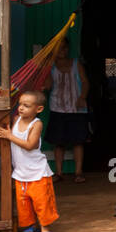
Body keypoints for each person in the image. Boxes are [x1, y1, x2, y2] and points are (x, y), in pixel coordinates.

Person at [0, 90, 59, 232]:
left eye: (27, 105)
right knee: (23, 202)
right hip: (21, 172)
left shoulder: (36, 124)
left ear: (38, 109)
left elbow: (30, 145)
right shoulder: (16, 119)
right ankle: (31, 226)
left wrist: (10, 136)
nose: (21, 108)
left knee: (42, 202)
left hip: (38, 172)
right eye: (20, 104)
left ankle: (45, 228)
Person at [44, 39, 90, 182]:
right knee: (58, 142)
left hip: (76, 108)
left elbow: (85, 82)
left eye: (64, 48)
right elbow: (48, 86)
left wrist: (82, 97)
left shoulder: (76, 64)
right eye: (59, 48)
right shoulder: (51, 67)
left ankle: (78, 173)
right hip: (57, 107)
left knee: (78, 141)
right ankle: (59, 173)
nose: (62, 51)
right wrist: (45, 69)